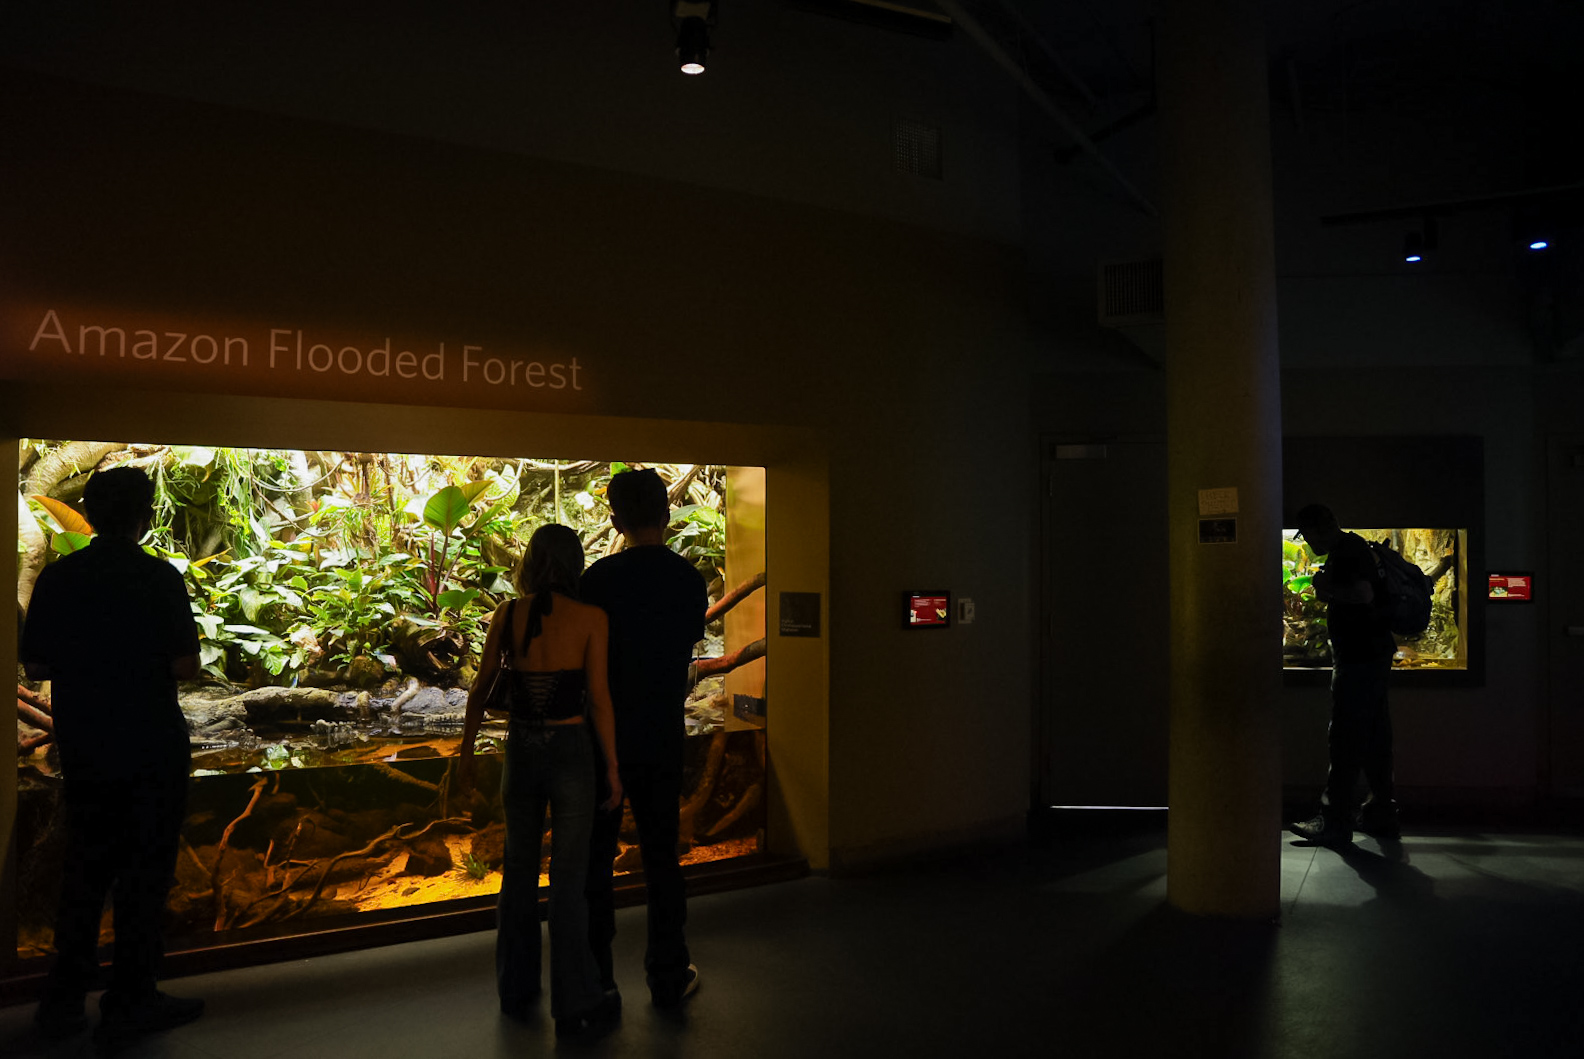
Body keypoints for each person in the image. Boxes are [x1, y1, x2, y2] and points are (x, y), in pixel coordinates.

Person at [19, 467, 205, 1052]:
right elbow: (186, 666)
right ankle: (131, 1000)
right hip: (150, 742)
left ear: (92, 516)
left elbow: (37, 666)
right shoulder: (158, 578)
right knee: (145, 875)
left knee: (86, 871)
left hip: (87, 745)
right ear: (145, 515)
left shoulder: (59, 579)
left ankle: (61, 1005)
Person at [458, 523, 623, 1039]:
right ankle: (575, 1003)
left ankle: (515, 989)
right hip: (572, 751)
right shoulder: (592, 617)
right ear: (575, 565)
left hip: (522, 751)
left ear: (529, 562)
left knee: (518, 874)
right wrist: (613, 768)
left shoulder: (508, 613)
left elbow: (483, 685)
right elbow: (597, 699)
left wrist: (464, 748)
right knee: (569, 885)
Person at [582, 468, 709, 1008]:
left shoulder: (596, 581)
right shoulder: (688, 580)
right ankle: (667, 972)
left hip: (604, 741)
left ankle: (597, 979)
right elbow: (684, 650)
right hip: (661, 734)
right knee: (662, 857)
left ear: (614, 521)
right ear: (668, 515)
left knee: (596, 861)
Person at [1288, 503, 1401, 847]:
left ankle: (1334, 820)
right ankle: (1381, 812)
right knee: (1375, 736)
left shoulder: (1348, 552)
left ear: (1320, 529)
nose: (1307, 544)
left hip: (1358, 660)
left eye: (1307, 536)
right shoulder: (1356, 548)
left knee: (1345, 737)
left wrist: (1325, 589)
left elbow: (1362, 594)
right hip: (1373, 656)